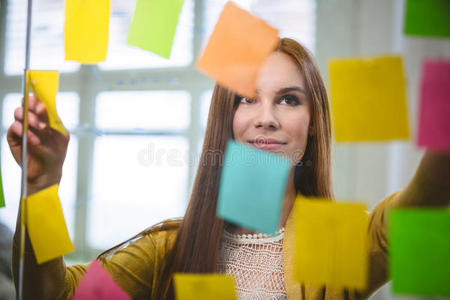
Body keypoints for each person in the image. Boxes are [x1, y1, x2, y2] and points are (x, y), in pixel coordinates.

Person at [8, 38, 450, 300]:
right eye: (247, 98)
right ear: (227, 121)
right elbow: (56, 295)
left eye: (289, 99)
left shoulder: (349, 243)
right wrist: (42, 188)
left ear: (313, 126)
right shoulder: (170, 251)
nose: (266, 117)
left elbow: (424, 203)